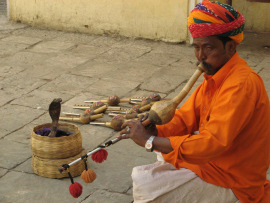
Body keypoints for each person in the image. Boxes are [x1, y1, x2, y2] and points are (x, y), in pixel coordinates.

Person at [118, 1, 270, 202]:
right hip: (215, 164)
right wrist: (155, 130)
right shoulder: (216, 76)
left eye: (208, 48)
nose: (200, 56)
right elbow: (184, 117)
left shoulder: (240, 84)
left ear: (230, 47)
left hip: (234, 179)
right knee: (162, 157)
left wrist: (149, 141)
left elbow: (210, 144)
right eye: (196, 48)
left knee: (147, 185)